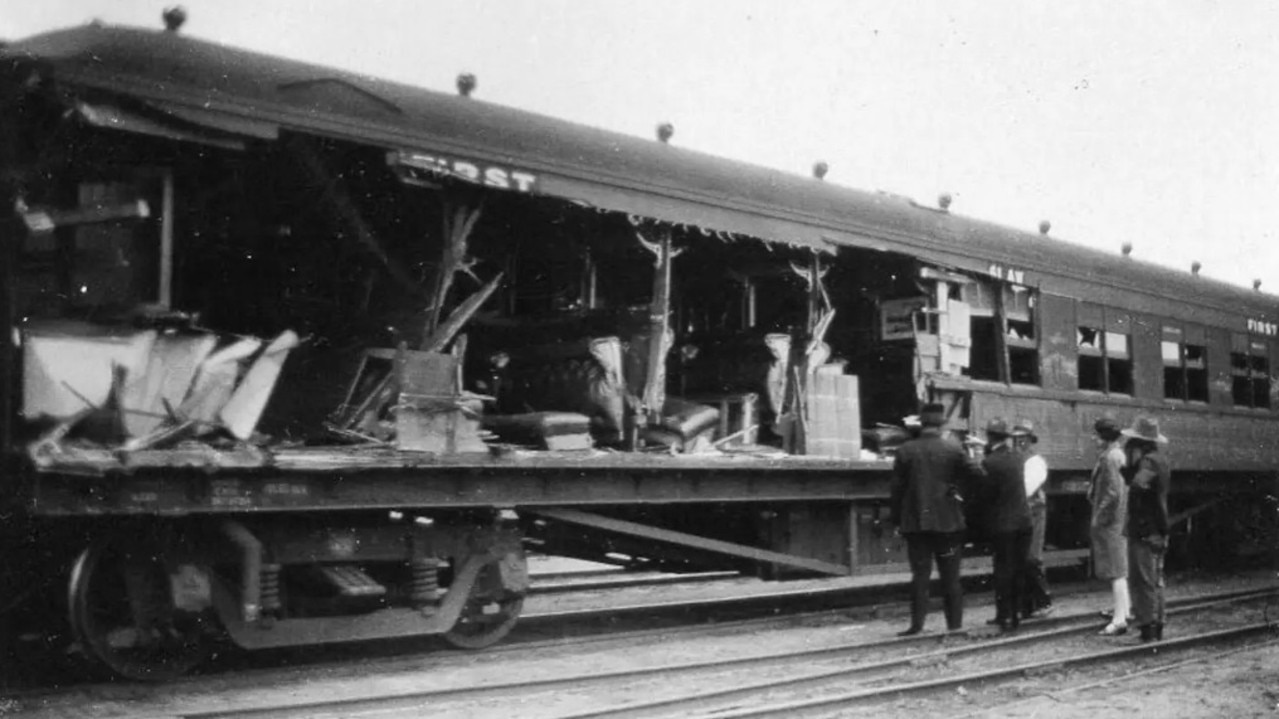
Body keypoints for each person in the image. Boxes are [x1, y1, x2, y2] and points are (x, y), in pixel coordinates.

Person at [889, 402, 982, 636]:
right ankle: (954, 626)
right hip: (948, 523)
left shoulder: (905, 450)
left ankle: (916, 626)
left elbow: (896, 491)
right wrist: (958, 493)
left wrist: (897, 521)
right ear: (941, 426)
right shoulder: (954, 449)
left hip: (916, 524)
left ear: (921, 425)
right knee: (951, 578)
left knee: (920, 576)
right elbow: (978, 476)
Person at [980, 418, 1032, 631]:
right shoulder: (1019, 458)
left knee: (1003, 570)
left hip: (1003, 525)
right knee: (1019, 569)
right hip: (1024, 522)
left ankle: (1004, 616)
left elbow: (987, 495)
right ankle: (1017, 614)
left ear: (990, 437)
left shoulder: (989, 462)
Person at [1122, 416, 1171, 642]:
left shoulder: (1148, 463)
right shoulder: (1160, 460)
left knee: (1143, 580)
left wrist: (1130, 466)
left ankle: (1147, 628)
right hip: (1158, 529)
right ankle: (1157, 625)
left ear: (1140, 444)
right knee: (1156, 579)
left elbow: (1139, 491)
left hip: (1145, 532)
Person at [1090, 415, 1131, 636]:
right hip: (1117, 520)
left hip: (1112, 521)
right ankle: (1122, 612)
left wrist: (1099, 516)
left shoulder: (1110, 457)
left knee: (1117, 571)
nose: (1094, 439)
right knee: (1119, 570)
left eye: (1096, 435)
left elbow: (1113, 493)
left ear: (1104, 437)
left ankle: (1119, 620)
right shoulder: (1114, 454)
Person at [1014, 419, 1054, 618]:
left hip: (1034, 512)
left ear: (1030, 440)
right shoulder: (1018, 459)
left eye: (1023, 439)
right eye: (1017, 439)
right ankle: (1028, 605)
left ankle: (1044, 601)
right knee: (1023, 559)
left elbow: (1027, 489)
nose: (1020, 442)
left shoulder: (1036, 461)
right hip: (1023, 512)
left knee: (1032, 558)